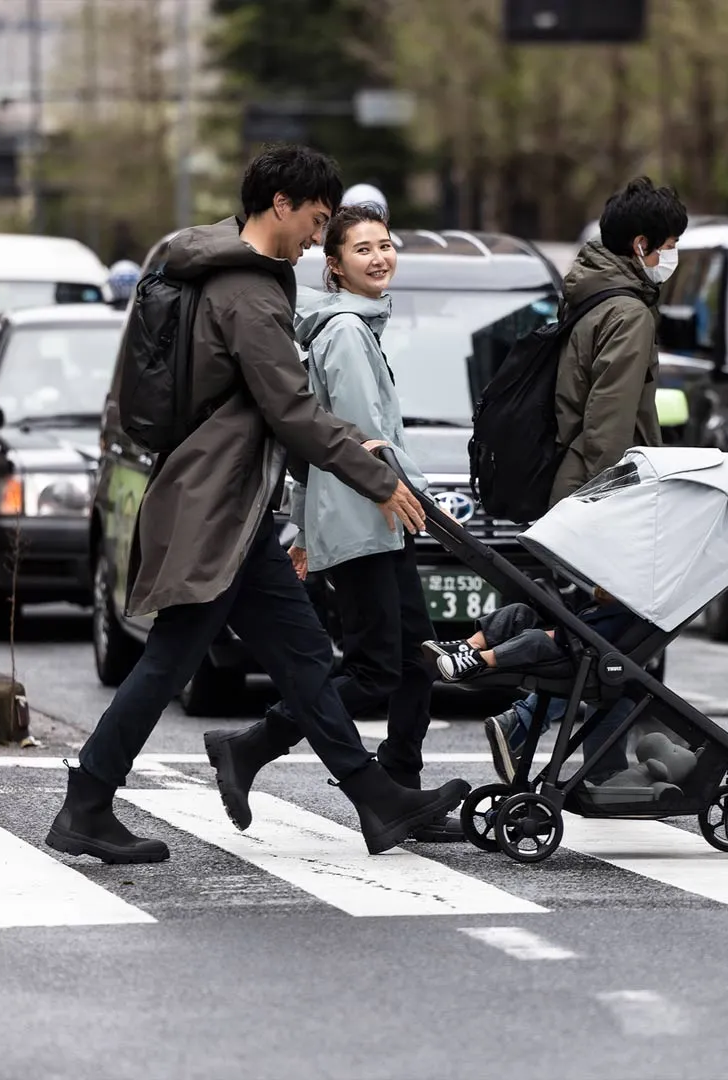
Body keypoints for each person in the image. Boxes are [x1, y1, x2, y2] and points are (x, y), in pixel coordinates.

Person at [46, 145, 469, 863]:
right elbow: (290, 409)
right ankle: (87, 801)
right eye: (316, 218)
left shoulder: (251, 280)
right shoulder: (246, 292)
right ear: (281, 204)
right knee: (169, 663)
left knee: (304, 657)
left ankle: (374, 800)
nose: (317, 234)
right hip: (218, 508)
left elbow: (280, 414)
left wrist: (336, 462)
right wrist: (373, 478)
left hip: (237, 508)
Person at [260, 201, 462, 841]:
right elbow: (358, 439)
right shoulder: (346, 332)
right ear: (336, 267)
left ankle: (402, 785)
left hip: (374, 515)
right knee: (381, 666)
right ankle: (254, 742)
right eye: (363, 249)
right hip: (371, 514)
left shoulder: (353, 327)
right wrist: (398, 493)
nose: (380, 257)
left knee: (416, 658)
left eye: (386, 245)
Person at [482, 176, 688, 783]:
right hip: (610, 496)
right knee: (630, 632)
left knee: (620, 638)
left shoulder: (592, 293)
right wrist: (610, 516)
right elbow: (609, 428)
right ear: (643, 244)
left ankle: (605, 761)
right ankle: (529, 720)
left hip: (580, 489)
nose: (672, 258)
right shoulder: (627, 312)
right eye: (670, 245)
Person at [424, 592, 639, 784]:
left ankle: (475, 660)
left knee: (534, 639)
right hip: (570, 653)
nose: (598, 588)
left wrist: (554, 633)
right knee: (519, 612)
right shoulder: (595, 604)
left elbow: (582, 636)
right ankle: (468, 646)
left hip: (575, 660)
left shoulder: (622, 615)